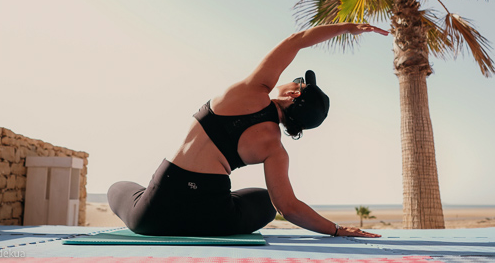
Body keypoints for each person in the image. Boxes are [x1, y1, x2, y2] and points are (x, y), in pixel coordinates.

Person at [108, 22, 388, 238]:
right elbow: (287, 208)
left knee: (117, 189)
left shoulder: (252, 91)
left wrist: (348, 27)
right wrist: (337, 229)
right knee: (266, 200)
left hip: (154, 215)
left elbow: (296, 41)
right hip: (213, 219)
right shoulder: (275, 150)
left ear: (294, 96)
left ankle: (159, 202)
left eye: (298, 82)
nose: (293, 80)